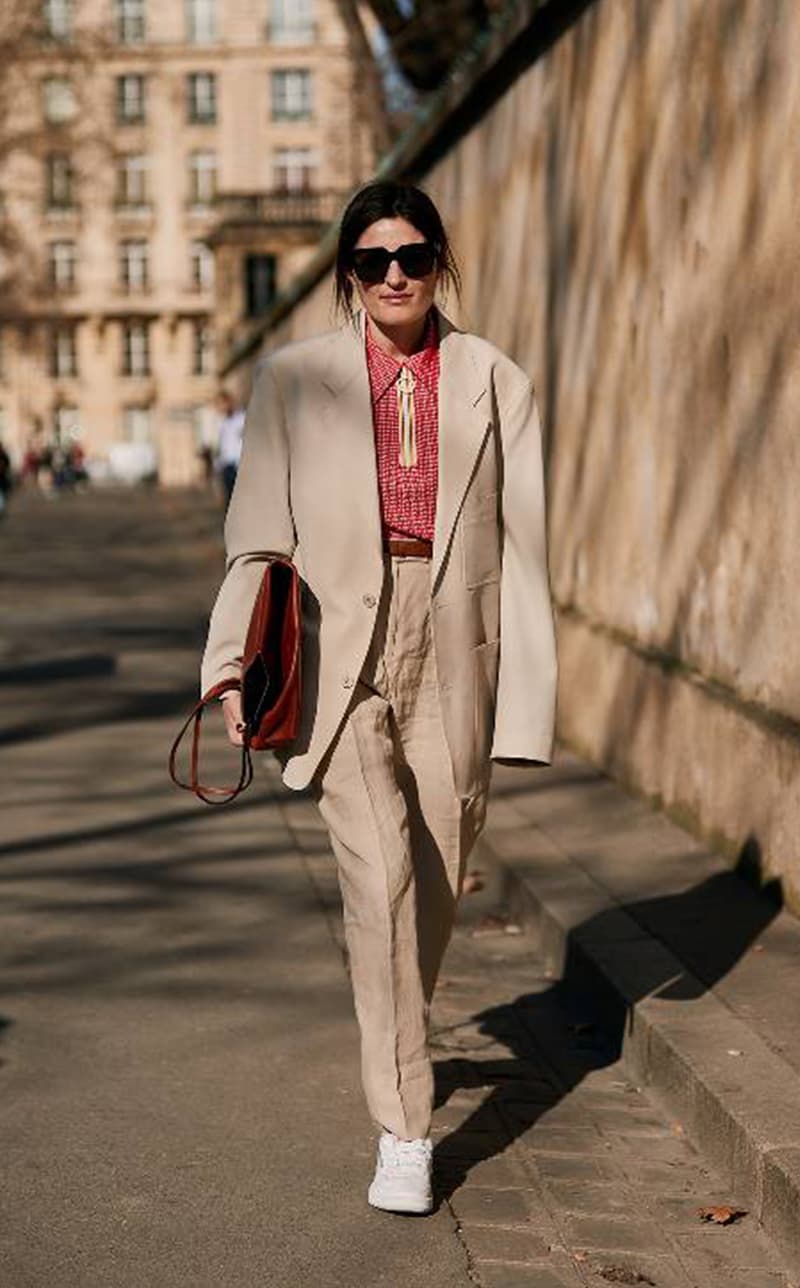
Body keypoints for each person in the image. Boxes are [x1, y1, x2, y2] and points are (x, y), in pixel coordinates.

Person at [200, 180, 557, 1214]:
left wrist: (524, 701)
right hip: (331, 648)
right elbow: (256, 532)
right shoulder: (293, 379)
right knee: (383, 878)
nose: (393, 275)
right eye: (371, 260)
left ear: (440, 261)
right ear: (347, 275)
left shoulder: (496, 380)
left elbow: (526, 553)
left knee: (437, 874)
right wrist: (228, 662)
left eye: (411, 256)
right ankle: (405, 1126)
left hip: (453, 643)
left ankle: (398, 1024)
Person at [214, 389, 245, 509]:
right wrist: (218, 465)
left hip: (239, 465)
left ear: (229, 402)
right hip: (226, 465)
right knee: (229, 502)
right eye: (218, 405)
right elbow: (221, 445)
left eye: (222, 404)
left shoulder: (242, 418)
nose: (220, 408)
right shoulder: (221, 422)